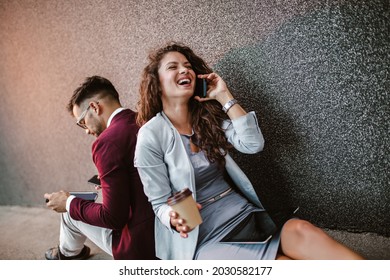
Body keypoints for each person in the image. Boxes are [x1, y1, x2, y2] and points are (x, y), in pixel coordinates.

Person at [134, 42, 364, 260]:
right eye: (173, 67)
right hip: (204, 238)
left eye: (187, 66)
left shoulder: (206, 118)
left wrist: (224, 96)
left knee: (301, 228)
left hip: (245, 215)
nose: (184, 70)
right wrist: (173, 218)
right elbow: (159, 203)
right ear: (157, 82)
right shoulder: (150, 135)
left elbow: (253, 144)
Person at [44, 76, 155, 260]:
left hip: (140, 246)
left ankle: (67, 255)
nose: (86, 130)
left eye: (82, 122)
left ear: (94, 107)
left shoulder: (107, 142)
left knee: (70, 212)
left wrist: (69, 203)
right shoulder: (143, 121)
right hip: (170, 231)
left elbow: (113, 218)